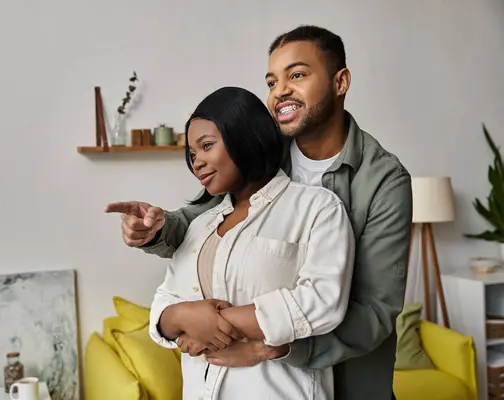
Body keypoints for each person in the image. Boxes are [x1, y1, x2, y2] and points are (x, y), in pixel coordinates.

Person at [106, 25, 412, 400]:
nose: (280, 90)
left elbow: (374, 310)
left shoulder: (383, 181)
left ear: (340, 81)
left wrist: (268, 345)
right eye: (271, 81)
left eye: (296, 75)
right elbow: (202, 225)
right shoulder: (260, 150)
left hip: (349, 380)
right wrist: (154, 230)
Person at [148, 85, 355, 399]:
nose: (197, 162)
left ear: (243, 136)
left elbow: (324, 301)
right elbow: (165, 299)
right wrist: (180, 317)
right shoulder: (201, 225)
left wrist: (214, 324)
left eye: (206, 146)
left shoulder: (318, 208)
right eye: (192, 155)